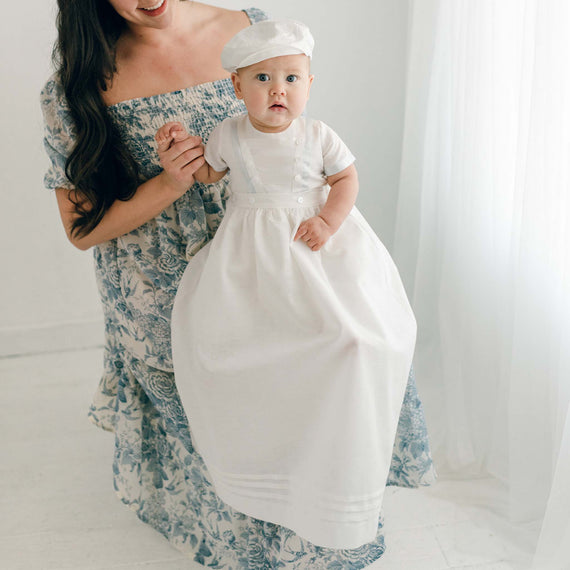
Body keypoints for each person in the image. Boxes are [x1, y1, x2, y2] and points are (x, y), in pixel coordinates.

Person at [40, 1, 436, 566]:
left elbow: (303, 144)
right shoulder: (77, 83)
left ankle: (333, 517)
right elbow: (83, 230)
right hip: (163, 278)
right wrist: (173, 181)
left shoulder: (252, 28)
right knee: (225, 410)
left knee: (345, 347)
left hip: (283, 258)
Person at [158, 19, 431, 551]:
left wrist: (329, 220)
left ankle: (337, 464)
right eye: (261, 79)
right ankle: (266, 467)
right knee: (231, 338)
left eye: (290, 78)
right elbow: (211, 174)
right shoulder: (230, 134)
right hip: (250, 250)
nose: (277, 90)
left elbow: (346, 179)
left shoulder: (319, 135)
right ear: (237, 88)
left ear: (309, 84)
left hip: (315, 244)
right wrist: (181, 145)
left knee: (350, 334)